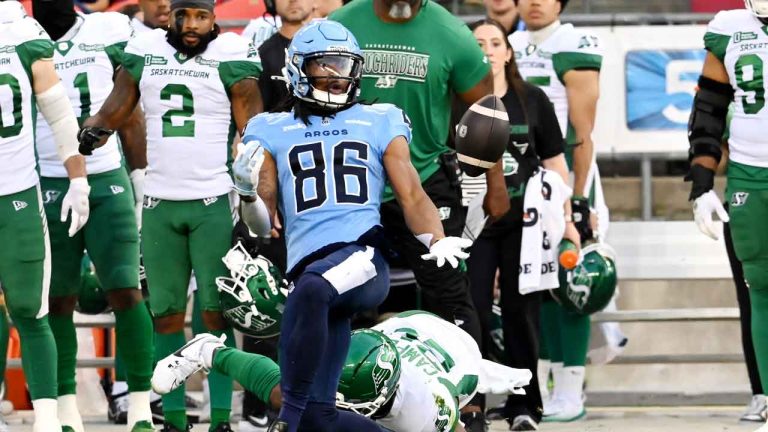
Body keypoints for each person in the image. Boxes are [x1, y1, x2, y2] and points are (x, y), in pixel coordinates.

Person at [232, 19, 472, 432]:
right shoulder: (269, 128)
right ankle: (299, 419)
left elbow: (412, 193)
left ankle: (282, 422)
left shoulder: (380, 119)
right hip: (309, 270)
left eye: (344, 66)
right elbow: (260, 226)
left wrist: (437, 237)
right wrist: (247, 193)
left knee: (310, 294)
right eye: (325, 65)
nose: (337, 76)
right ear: (298, 69)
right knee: (319, 418)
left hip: (362, 257)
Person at [77, 0, 264, 429]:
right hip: (160, 201)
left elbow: (253, 127)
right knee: (164, 312)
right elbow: (119, 102)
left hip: (212, 200)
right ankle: (175, 417)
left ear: (214, 17)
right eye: (185, 16)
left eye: (201, 16)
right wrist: (98, 127)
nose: (193, 25)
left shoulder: (230, 55)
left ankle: (219, 417)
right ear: (171, 16)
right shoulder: (146, 49)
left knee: (215, 314)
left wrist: (258, 183)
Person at [31, 1, 155, 431]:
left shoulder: (109, 30)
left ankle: (140, 409)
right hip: (45, 179)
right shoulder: (20, 35)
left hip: (106, 179)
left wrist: (140, 178)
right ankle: (66, 411)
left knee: (126, 290)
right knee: (56, 299)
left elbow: (132, 105)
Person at [461, 18, 578, 431]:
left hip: (525, 224)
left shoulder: (533, 100)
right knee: (469, 309)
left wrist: (566, 219)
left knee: (520, 311)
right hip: (473, 221)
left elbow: (554, 164)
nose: (488, 50)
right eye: (478, 43)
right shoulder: (454, 99)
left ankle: (524, 403)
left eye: (496, 43)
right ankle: (470, 403)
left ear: (508, 52)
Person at [151, 307, 532, 432]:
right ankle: (209, 351)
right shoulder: (358, 354)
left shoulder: (431, 409)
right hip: (397, 332)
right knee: (294, 395)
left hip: (453, 350)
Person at [510, 0, 607, 422]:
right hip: (523, 182)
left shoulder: (575, 42)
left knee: (573, 282)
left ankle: (572, 388)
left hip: (566, 175)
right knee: (535, 283)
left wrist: (579, 197)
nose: (534, 2)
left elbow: (582, 134)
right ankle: (544, 384)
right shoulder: (507, 44)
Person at [0, 2, 91, 431]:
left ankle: (48, 421)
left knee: (29, 308)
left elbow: (58, 113)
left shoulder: (18, 29)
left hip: (16, 191)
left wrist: (78, 178)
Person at [691, 3, 768, 431]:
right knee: (760, 290)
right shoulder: (728, 28)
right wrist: (701, 185)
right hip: (750, 176)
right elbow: (709, 108)